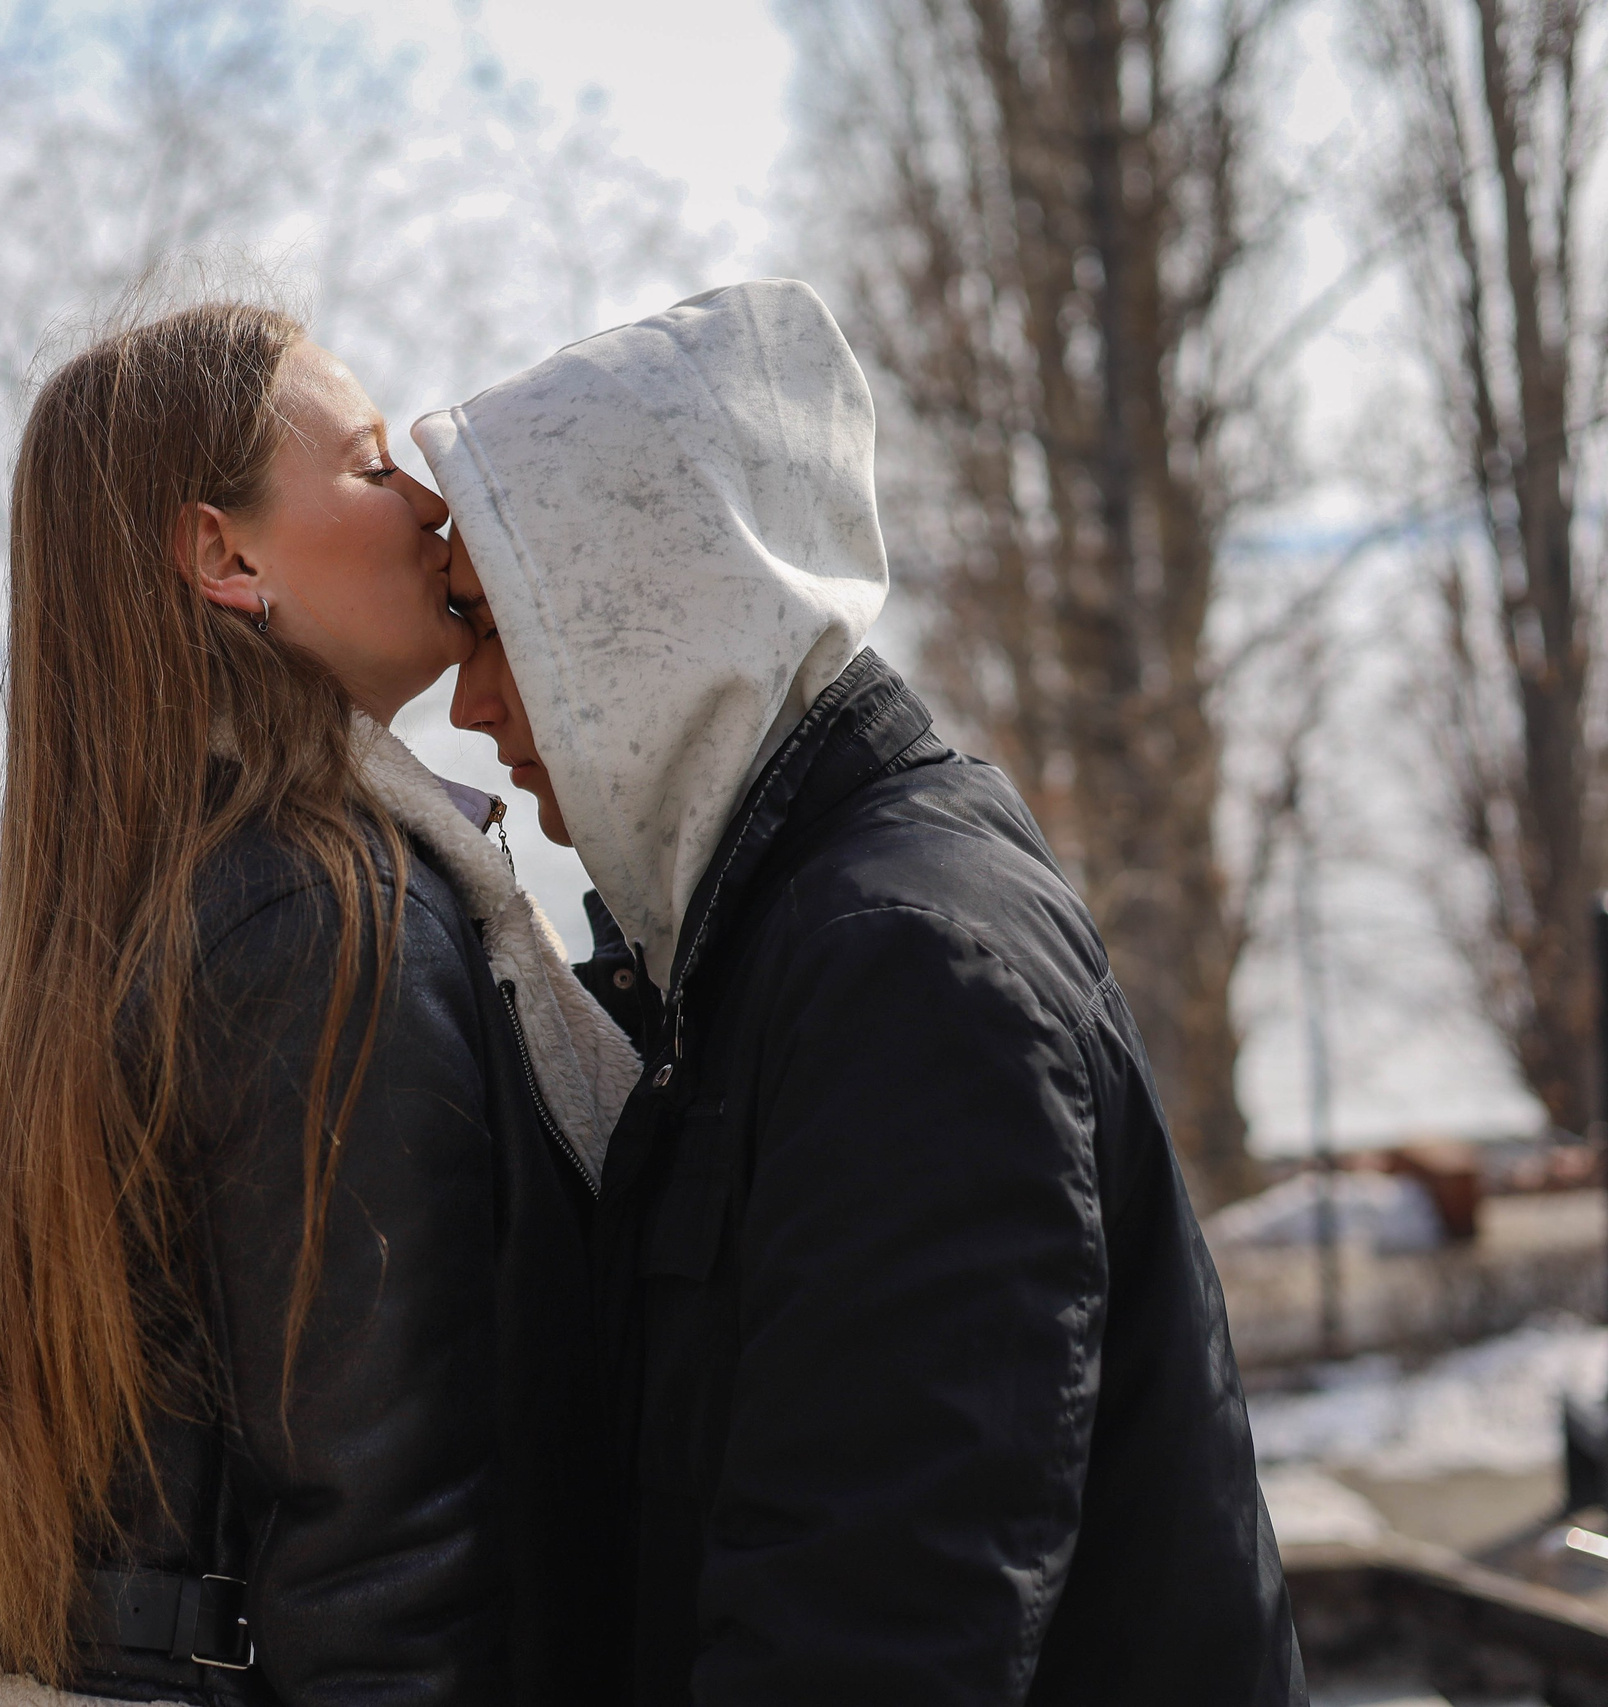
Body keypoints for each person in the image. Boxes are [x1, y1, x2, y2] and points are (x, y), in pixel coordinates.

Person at [423, 280, 1306, 1705]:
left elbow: (873, 1641)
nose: (467, 702)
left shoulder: (902, 976)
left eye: (490, 619)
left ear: (639, 610)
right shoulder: (776, 941)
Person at [0, 300, 637, 1707]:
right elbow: (386, 1545)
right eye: (365, 466)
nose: (428, 500)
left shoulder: (174, 889)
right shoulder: (320, 926)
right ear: (225, 557)